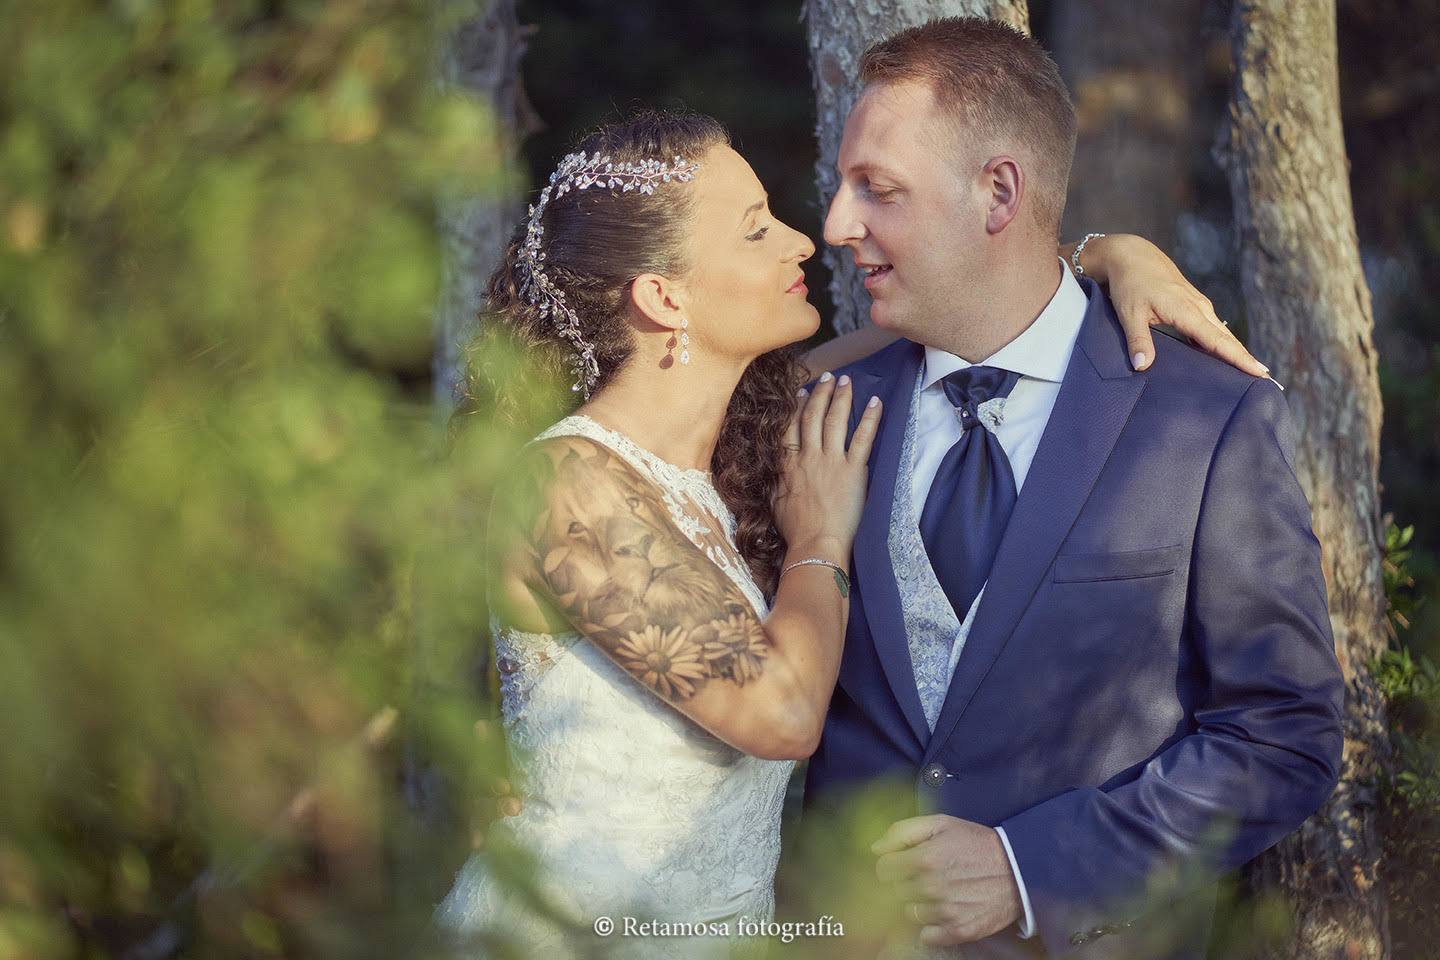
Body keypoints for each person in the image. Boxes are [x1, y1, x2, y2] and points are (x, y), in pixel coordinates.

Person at [434, 110, 1268, 959]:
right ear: (663, 296)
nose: (803, 241)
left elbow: (974, 310)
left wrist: (1102, 254)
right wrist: (819, 542)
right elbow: (785, 712)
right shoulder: (565, 483)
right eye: (756, 229)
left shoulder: (745, 441)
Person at [801, 17, 1345, 959]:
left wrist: (1027, 867)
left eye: (877, 190)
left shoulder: (1206, 421)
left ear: (998, 191)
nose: (836, 226)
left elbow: (1283, 733)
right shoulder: (820, 408)